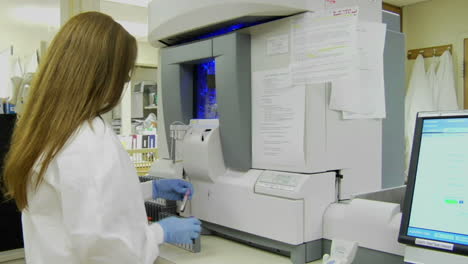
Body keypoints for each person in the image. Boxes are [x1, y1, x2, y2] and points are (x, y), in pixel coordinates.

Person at [2, 12, 201, 264]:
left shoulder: (48, 129)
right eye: (125, 76)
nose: (123, 83)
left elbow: (82, 200)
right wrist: (161, 232)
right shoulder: (87, 139)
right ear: (104, 76)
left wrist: (153, 189)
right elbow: (104, 248)